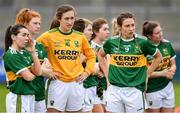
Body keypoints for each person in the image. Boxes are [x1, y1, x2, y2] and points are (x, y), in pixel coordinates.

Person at [98, 12, 162, 113]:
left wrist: (148, 74)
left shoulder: (143, 42)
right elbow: (100, 55)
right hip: (114, 89)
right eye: (127, 26)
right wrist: (107, 75)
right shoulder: (111, 42)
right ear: (119, 27)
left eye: (132, 25)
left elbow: (158, 57)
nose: (131, 28)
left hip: (135, 90)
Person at [36, 4, 96, 112]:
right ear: (59, 19)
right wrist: (45, 69)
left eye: (72, 18)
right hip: (57, 83)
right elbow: (34, 51)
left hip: (76, 83)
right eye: (66, 18)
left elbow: (91, 56)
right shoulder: (48, 36)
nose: (70, 22)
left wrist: (87, 72)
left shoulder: (80, 37)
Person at [15, 8, 56, 113]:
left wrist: (37, 69)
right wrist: (40, 70)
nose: (38, 26)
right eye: (35, 23)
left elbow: (50, 71)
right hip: (24, 95)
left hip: (40, 95)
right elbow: (28, 73)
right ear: (25, 24)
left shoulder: (40, 46)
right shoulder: (18, 47)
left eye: (39, 23)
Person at [4, 24, 42, 113]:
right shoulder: (11, 55)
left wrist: (33, 52)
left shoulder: (26, 53)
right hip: (19, 97)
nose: (27, 38)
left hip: (30, 96)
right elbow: (28, 77)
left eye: (28, 35)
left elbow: (39, 72)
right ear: (13, 37)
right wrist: (33, 71)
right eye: (24, 35)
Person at [142, 21, 176, 113]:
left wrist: (171, 71)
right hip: (152, 90)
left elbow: (173, 64)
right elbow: (143, 74)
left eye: (161, 31)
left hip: (167, 87)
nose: (161, 34)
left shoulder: (167, 44)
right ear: (149, 36)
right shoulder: (144, 49)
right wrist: (162, 73)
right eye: (157, 33)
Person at [83, 18, 110, 113]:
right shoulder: (89, 45)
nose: (108, 32)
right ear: (96, 31)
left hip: (102, 87)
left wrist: (104, 70)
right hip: (90, 86)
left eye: (108, 29)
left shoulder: (105, 47)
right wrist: (98, 68)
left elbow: (108, 66)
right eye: (105, 29)